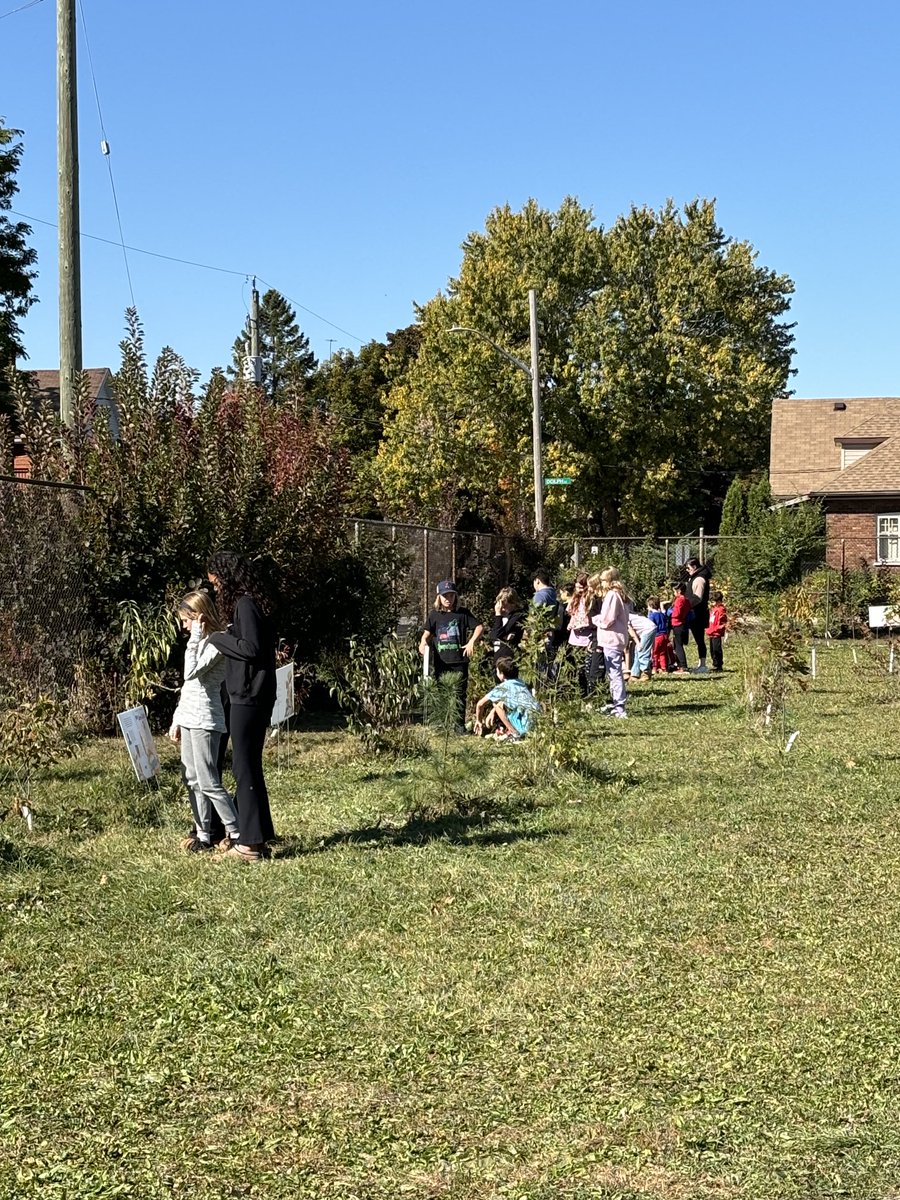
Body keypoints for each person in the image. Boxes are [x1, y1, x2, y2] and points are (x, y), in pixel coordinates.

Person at [206, 551, 277, 863]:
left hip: (249, 694)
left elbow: (251, 648)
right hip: (252, 693)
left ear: (227, 577)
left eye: (216, 583)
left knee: (244, 767)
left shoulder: (245, 604)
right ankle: (258, 835)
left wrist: (217, 639)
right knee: (249, 766)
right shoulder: (252, 603)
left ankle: (249, 844)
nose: (216, 589)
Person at [169, 590, 241, 854]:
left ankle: (238, 833)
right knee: (191, 779)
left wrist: (196, 637)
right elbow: (188, 688)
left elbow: (191, 672)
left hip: (205, 719)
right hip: (189, 716)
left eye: (187, 620)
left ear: (199, 617)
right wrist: (177, 719)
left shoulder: (217, 641)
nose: (184, 626)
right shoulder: (197, 641)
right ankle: (203, 835)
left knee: (209, 781)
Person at [419, 580, 483, 733]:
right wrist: (423, 643)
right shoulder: (435, 615)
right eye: (445, 596)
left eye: (451, 595)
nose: (448, 599)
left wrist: (471, 642)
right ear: (439, 597)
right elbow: (426, 634)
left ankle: (459, 726)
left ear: (455, 596)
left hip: (459, 660)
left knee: (460, 694)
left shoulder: (463, 613)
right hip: (441, 661)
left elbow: (479, 627)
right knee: (443, 693)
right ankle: (444, 725)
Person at [589, 567, 629, 718]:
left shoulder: (612, 595)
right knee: (614, 673)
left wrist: (594, 619)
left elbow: (607, 620)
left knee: (615, 673)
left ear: (611, 580)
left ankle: (620, 707)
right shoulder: (619, 595)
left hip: (611, 639)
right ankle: (617, 704)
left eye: (604, 580)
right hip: (614, 638)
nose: (602, 583)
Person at [473, 660, 540, 742]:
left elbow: (480, 704)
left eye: (497, 671)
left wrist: (478, 721)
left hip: (525, 725)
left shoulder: (503, 687)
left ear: (502, 674)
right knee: (502, 702)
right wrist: (492, 712)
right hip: (537, 722)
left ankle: (515, 734)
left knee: (497, 705)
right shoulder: (521, 683)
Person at [566, 572, 595, 695]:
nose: (579, 590)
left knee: (587, 666)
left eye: (582, 587)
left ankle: (589, 691)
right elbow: (570, 612)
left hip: (587, 636)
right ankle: (580, 690)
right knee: (577, 666)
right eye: (577, 587)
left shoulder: (590, 598)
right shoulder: (575, 598)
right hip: (575, 637)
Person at [489, 587, 528, 679]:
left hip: (508, 659)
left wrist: (498, 615)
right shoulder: (501, 618)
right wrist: (503, 634)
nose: (502, 609)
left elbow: (497, 634)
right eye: (500, 605)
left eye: (505, 606)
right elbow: (493, 636)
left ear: (513, 604)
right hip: (497, 656)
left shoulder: (517, 616)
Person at [685, 557, 713, 673]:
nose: (687, 570)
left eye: (688, 568)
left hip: (698, 614)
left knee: (699, 639)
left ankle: (703, 665)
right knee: (697, 639)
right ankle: (699, 664)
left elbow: (697, 598)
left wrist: (685, 605)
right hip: (694, 613)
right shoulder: (695, 577)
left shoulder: (699, 579)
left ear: (694, 567)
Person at [627, 605, 657, 682]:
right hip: (647, 629)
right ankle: (635, 674)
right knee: (637, 651)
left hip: (648, 629)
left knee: (642, 651)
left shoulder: (624, 617)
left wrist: (638, 643)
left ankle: (646, 673)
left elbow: (631, 631)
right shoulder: (626, 615)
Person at [669, 582, 692, 674]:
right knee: (677, 644)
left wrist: (670, 612)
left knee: (678, 646)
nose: (674, 593)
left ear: (679, 591)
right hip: (683, 623)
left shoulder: (679, 600)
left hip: (678, 624)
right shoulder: (686, 600)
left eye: (674, 591)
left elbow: (677, 613)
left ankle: (683, 666)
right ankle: (680, 665)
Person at [647, 596, 674, 674]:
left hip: (657, 636)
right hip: (664, 635)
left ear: (651, 606)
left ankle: (654, 668)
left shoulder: (652, 616)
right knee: (662, 652)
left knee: (654, 653)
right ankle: (664, 668)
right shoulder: (662, 614)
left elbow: (650, 625)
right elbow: (665, 616)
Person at [707, 589, 728, 671]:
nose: (712, 603)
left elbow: (722, 622)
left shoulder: (721, 610)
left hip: (716, 633)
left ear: (718, 601)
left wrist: (717, 629)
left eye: (714, 601)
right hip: (711, 632)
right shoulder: (714, 609)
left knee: (717, 649)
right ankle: (715, 664)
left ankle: (718, 665)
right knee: (712, 650)